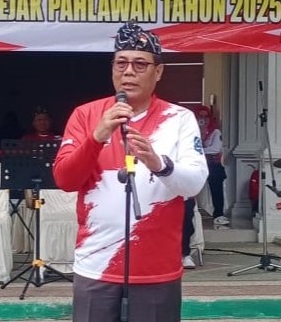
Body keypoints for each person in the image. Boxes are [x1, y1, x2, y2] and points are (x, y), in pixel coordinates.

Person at [53, 21, 208, 322]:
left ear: (158, 71)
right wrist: (96, 137)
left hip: (156, 267)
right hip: (96, 264)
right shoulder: (86, 115)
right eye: (121, 63)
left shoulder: (179, 118)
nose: (128, 72)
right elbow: (65, 180)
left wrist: (159, 164)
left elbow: (194, 184)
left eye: (140, 64)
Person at [195, 105, 228, 226]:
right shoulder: (193, 131)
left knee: (216, 189)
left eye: (206, 117)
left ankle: (218, 214)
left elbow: (215, 149)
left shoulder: (215, 132)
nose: (203, 119)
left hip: (213, 165)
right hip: (198, 164)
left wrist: (199, 151)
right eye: (200, 116)